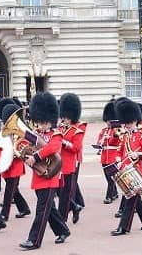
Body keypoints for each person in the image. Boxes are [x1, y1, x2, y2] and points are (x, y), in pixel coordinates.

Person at [19, 92, 69, 250]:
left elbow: (53, 148)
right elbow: (29, 146)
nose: (40, 125)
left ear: (50, 121)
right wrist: (25, 152)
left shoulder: (56, 134)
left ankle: (34, 240)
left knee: (41, 210)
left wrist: (36, 155)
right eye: (39, 122)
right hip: (40, 175)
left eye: (43, 122)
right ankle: (63, 230)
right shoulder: (37, 134)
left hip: (51, 176)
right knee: (49, 209)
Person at [111, 99, 142, 236]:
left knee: (130, 199)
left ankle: (123, 227)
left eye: (129, 122)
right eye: (126, 122)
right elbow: (119, 151)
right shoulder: (124, 136)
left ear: (135, 120)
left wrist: (138, 155)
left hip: (136, 171)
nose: (127, 125)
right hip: (125, 170)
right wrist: (118, 160)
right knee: (135, 198)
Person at [0, 103, 31, 221]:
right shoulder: (4, 129)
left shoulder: (20, 130)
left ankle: (4, 214)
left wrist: (15, 150)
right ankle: (24, 208)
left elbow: (25, 145)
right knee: (13, 189)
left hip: (16, 164)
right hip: (7, 164)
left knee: (9, 190)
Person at [57, 93, 84, 224]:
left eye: (66, 117)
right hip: (57, 164)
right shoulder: (60, 128)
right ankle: (74, 206)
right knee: (59, 191)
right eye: (63, 117)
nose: (64, 119)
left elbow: (76, 148)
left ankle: (61, 219)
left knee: (64, 194)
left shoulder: (76, 130)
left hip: (68, 164)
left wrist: (63, 142)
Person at [97, 102, 119, 204]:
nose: (108, 123)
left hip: (112, 156)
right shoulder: (104, 130)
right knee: (107, 177)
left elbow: (115, 140)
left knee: (111, 178)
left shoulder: (116, 130)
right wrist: (99, 144)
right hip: (104, 156)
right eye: (107, 121)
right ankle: (115, 193)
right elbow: (99, 140)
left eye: (109, 121)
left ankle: (109, 196)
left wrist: (111, 136)